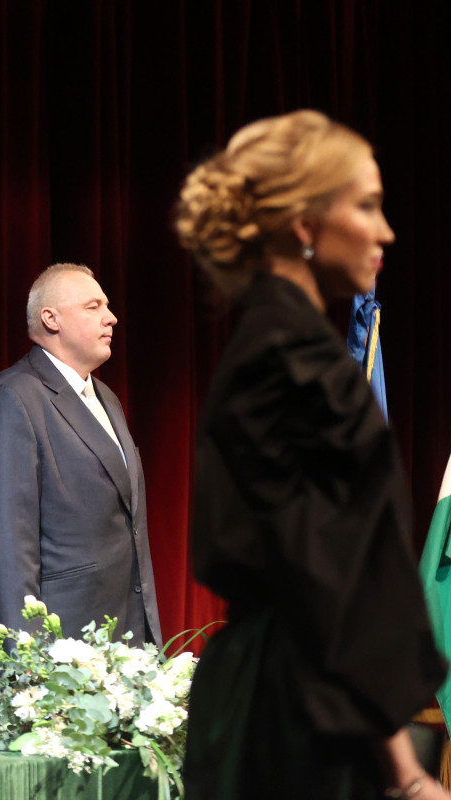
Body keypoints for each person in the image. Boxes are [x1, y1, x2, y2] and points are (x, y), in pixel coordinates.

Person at [175, 109, 447, 800]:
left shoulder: (275, 344)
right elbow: (331, 582)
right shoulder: (295, 360)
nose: (386, 231)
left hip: (279, 697)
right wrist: (406, 772)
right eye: (367, 206)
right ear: (304, 223)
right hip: (302, 721)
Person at [0, 264, 161, 647]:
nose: (111, 317)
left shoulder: (106, 398)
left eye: (107, 306)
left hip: (122, 641)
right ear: (51, 319)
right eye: (93, 306)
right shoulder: (11, 399)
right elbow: (7, 548)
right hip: (58, 648)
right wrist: (28, 655)